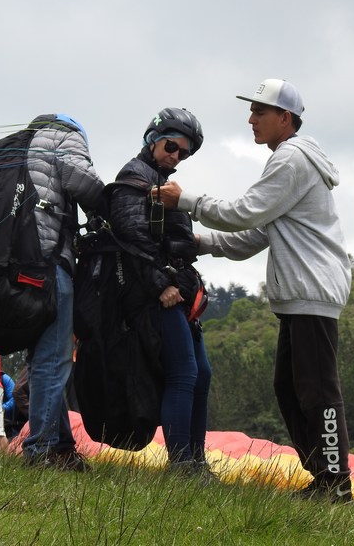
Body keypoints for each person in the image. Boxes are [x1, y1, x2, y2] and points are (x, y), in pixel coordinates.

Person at [156, 80, 353, 502]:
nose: (251, 119)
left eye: (260, 112)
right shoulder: (290, 161)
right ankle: (323, 476)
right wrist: (201, 244)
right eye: (251, 111)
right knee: (289, 387)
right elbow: (257, 233)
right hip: (302, 296)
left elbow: (244, 212)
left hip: (312, 293)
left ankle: (335, 484)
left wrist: (185, 201)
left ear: (286, 118)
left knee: (319, 391)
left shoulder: (291, 159)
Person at [107, 107, 212, 474]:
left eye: (184, 153)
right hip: (155, 295)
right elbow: (131, 237)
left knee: (203, 373)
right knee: (182, 373)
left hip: (179, 293)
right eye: (171, 147)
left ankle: (197, 462)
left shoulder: (161, 182)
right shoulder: (134, 178)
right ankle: (183, 464)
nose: (176, 156)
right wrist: (162, 284)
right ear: (153, 139)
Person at [22, 113, 104, 471]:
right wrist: (107, 203)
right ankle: (39, 451)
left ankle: (61, 446)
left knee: (43, 359)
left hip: (19, 264)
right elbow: (79, 177)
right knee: (54, 361)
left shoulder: (23, 146)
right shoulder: (64, 136)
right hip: (51, 261)